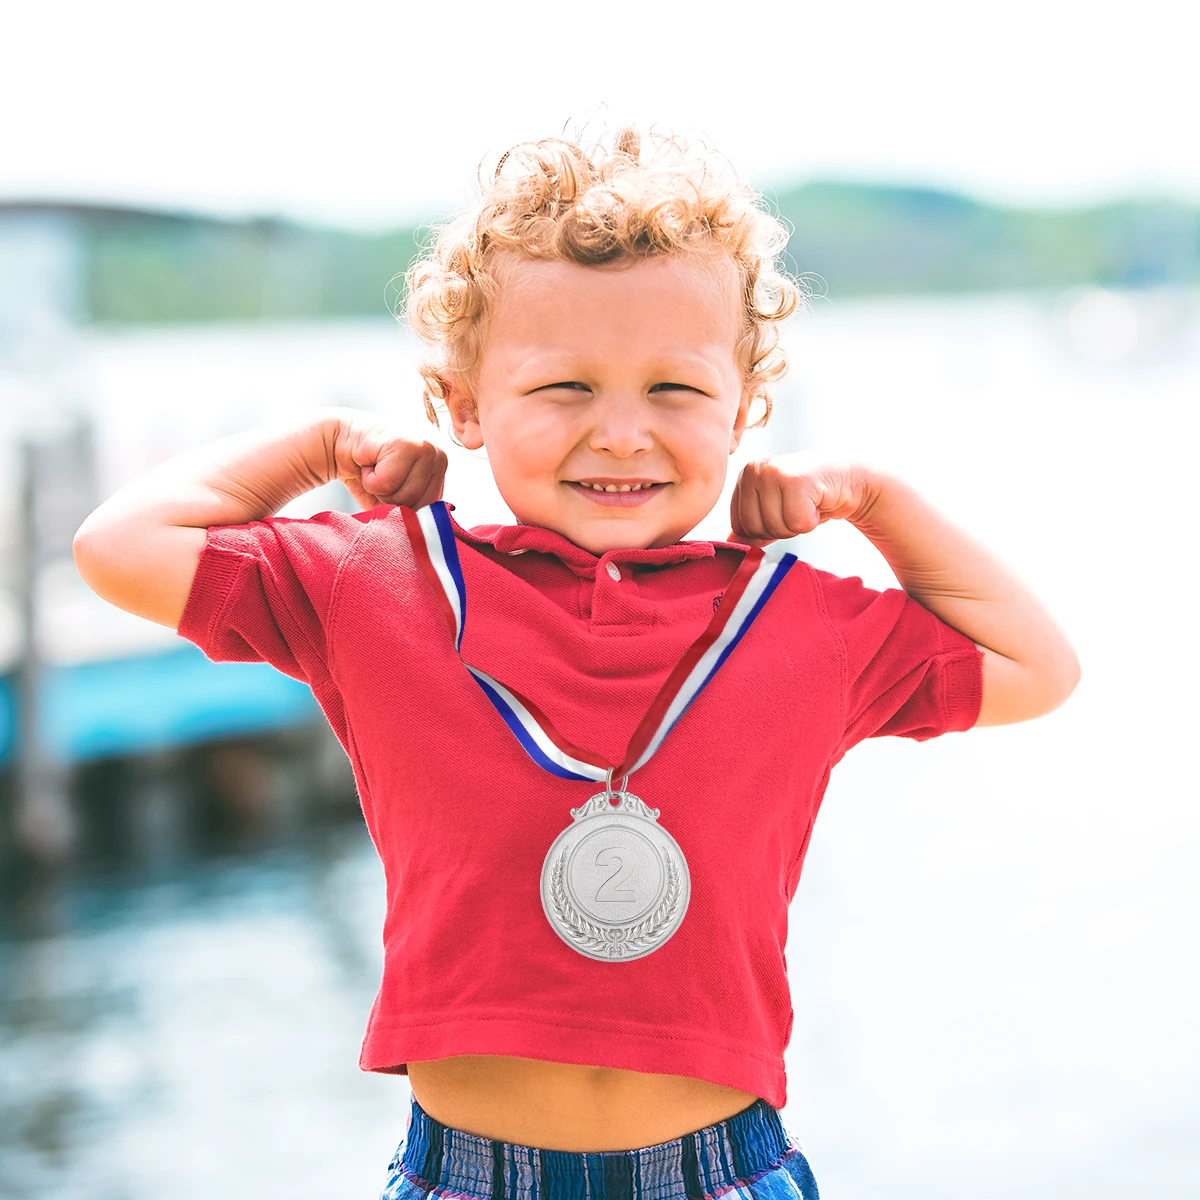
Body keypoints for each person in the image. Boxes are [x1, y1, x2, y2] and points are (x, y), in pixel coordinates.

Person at [72, 125, 1081, 1200]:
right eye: (564, 388)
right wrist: (318, 448)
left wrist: (873, 500)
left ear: (744, 409)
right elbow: (120, 550)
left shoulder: (799, 618)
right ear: (462, 404)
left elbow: (1035, 665)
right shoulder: (376, 581)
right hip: (464, 1175)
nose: (620, 433)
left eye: (676, 392)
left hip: (723, 1172)